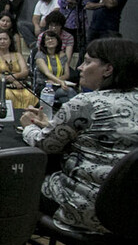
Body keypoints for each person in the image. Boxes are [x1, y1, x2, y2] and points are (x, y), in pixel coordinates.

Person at [21, 38, 138, 232]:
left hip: (88, 209)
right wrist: (53, 126)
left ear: (108, 69)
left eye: (87, 61)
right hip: (129, 213)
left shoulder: (85, 103)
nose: (80, 68)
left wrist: (28, 127)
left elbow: (45, 144)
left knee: (18, 180)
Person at [0, 30, 37, 109]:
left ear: (10, 41)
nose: (2, 41)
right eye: (0, 39)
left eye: (5, 39)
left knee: (30, 95)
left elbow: (25, 71)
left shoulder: (17, 55)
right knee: (7, 95)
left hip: (19, 84)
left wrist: (15, 76)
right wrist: (11, 80)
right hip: (0, 85)